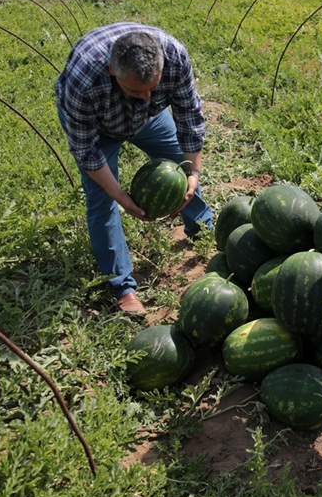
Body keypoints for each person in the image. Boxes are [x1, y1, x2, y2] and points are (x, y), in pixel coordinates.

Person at [56, 23, 213, 316]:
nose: (145, 97)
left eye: (152, 89)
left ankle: (203, 228)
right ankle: (122, 286)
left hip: (149, 121)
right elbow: (86, 151)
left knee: (180, 165)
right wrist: (121, 197)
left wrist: (193, 173)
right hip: (99, 129)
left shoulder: (174, 58)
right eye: (135, 90)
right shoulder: (84, 78)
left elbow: (189, 117)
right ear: (114, 71)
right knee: (101, 201)